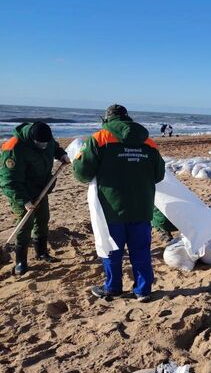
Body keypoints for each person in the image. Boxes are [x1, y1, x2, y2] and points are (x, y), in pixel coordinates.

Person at [73, 104, 165, 302]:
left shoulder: (99, 139)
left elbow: (82, 172)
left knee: (111, 249)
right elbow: (159, 174)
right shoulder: (148, 141)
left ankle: (113, 287)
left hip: (111, 207)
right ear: (127, 118)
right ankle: (143, 290)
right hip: (142, 206)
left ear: (107, 118)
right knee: (141, 250)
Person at [0, 122, 70, 275]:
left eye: (46, 142)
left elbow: (54, 147)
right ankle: (21, 261)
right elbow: (8, 181)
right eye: (40, 144)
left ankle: (42, 252)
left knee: (43, 218)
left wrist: (61, 154)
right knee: (25, 224)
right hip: (21, 191)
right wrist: (24, 201)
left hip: (41, 188)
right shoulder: (13, 148)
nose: (44, 146)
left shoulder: (46, 138)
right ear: (32, 139)